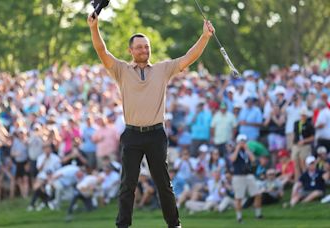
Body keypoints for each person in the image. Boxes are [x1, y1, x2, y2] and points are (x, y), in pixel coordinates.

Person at [88, 9, 215, 228]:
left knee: (163, 184)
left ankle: (174, 224)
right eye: (139, 47)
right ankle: (123, 225)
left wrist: (204, 37)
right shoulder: (121, 70)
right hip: (131, 134)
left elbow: (188, 57)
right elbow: (101, 50)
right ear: (131, 50)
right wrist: (94, 27)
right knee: (127, 185)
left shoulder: (162, 69)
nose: (144, 50)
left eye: (146, 46)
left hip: (156, 134)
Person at [230, 134, 262, 223]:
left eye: (244, 141)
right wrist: (237, 148)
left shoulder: (247, 151)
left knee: (257, 194)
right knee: (238, 197)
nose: (242, 143)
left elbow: (253, 160)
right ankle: (239, 218)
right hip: (238, 176)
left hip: (249, 175)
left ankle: (258, 215)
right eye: (241, 141)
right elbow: (232, 159)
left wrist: (247, 149)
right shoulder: (233, 150)